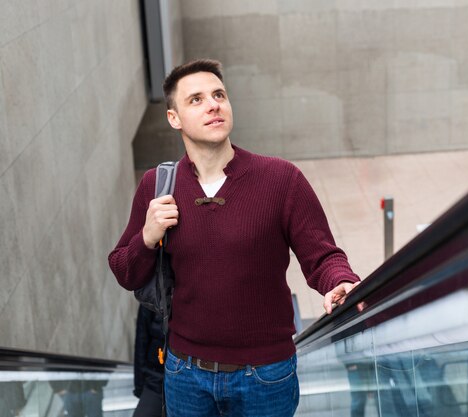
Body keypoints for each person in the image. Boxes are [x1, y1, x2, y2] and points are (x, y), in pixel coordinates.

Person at [108, 58, 361, 417]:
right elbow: (123, 269)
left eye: (219, 95)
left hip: (265, 375)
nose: (213, 104)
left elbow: (323, 257)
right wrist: (147, 237)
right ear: (174, 118)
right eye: (196, 99)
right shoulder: (156, 185)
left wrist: (342, 281)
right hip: (184, 373)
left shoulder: (281, 179)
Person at [132, 305, 164, 417]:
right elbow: (141, 340)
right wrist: (139, 386)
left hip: (189, 382)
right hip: (155, 380)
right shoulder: (154, 291)